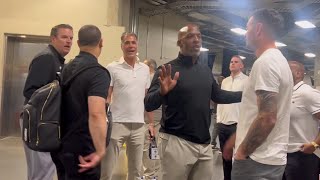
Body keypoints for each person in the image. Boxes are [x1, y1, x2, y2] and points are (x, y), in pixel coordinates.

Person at [144, 24, 242, 180]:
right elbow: (149, 104)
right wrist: (162, 92)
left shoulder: (205, 70)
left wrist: (246, 95)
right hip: (176, 142)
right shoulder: (167, 70)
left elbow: (218, 96)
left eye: (199, 36)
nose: (196, 40)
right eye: (190, 36)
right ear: (179, 42)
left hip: (204, 145)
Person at [225, 9, 293, 180]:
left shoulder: (266, 62)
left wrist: (242, 152)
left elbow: (267, 117)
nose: (246, 33)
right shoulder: (279, 60)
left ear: (258, 29)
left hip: (256, 160)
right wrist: (236, 139)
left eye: (248, 27)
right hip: (269, 158)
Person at [54, 24, 110, 180]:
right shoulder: (98, 73)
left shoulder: (66, 68)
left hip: (61, 145)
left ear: (78, 43)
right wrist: (100, 151)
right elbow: (96, 113)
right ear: (101, 42)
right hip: (84, 150)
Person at [22, 24, 73, 180]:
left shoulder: (58, 60)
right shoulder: (46, 58)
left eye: (71, 38)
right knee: (42, 172)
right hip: (38, 124)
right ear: (53, 39)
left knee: (44, 171)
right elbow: (31, 92)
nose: (69, 41)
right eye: (64, 37)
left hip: (46, 124)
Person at [100, 32, 153, 180]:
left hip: (138, 126)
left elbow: (147, 99)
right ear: (122, 46)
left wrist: (151, 123)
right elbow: (107, 96)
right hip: (117, 123)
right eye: (127, 43)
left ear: (137, 45)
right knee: (107, 168)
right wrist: (103, 119)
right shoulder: (112, 67)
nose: (131, 46)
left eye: (133, 42)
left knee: (136, 170)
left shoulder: (144, 69)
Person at [283, 61, 320, 180]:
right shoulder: (286, 94)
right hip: (284, 154)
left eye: (286, 70)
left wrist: (315, 144)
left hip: (304, 155)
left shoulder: (307, 93)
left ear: (298, 73)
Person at [216, 55, 248, 180]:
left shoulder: (247, 81)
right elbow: (221, 101)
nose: (232, 64)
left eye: (236, 62)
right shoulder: (225, 81)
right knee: (226, 157)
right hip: (223, 124)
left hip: (238, 124)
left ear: (242, 65)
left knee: (240, 157)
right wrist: (219, 120)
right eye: (231, 61)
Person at [142, 59, 161, 180]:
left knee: (148, 148)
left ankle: (149, 175)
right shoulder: (159, 80)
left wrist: (150, 122)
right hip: (158, 120)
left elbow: (148, 102)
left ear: (149, 67)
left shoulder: (149, 79)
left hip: (151, 120)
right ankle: (155, 174)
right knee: (155, 148)